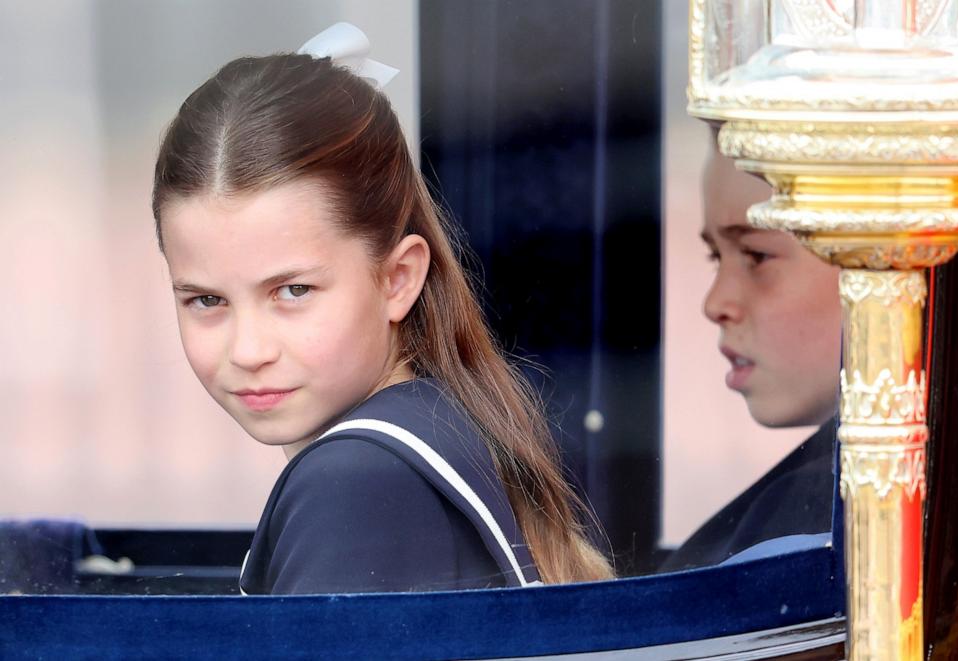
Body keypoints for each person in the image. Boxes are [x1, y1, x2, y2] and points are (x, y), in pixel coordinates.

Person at [151, 25, 612, 594]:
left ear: (398, 279)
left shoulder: (356, 483)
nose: (248, 350)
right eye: (207, 300)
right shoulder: (445, 422)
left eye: (293, 291)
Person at [662, 124, 842, 571]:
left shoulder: (822, 522)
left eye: (757, 256)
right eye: (715, 257)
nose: (715, 303)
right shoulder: (808, 512)